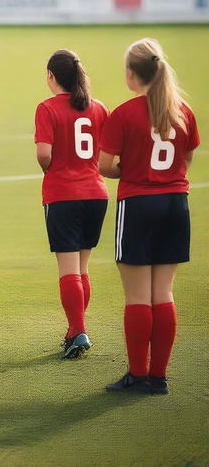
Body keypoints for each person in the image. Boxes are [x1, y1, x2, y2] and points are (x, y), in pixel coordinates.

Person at [100, 38, 199, 394]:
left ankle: (138, 374)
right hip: (176, 205)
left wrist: (129, 170)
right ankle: (159, 377)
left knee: (138, 297)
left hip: (138, 206)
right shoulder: (182, 111)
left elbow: (105, 165)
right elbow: (186, 160)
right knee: (164, 293)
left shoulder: (124, 113)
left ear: (131, 74)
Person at [34, 49, 109, 359]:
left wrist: (51, 170)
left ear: (52, 77)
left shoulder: (47, 108)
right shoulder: (99, 108)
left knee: (68, 269)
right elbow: (106, 156)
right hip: (95, 193)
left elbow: (43, 153)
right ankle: (74, 329)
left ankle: (79, 332)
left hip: (64, 194)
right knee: (82, 267)